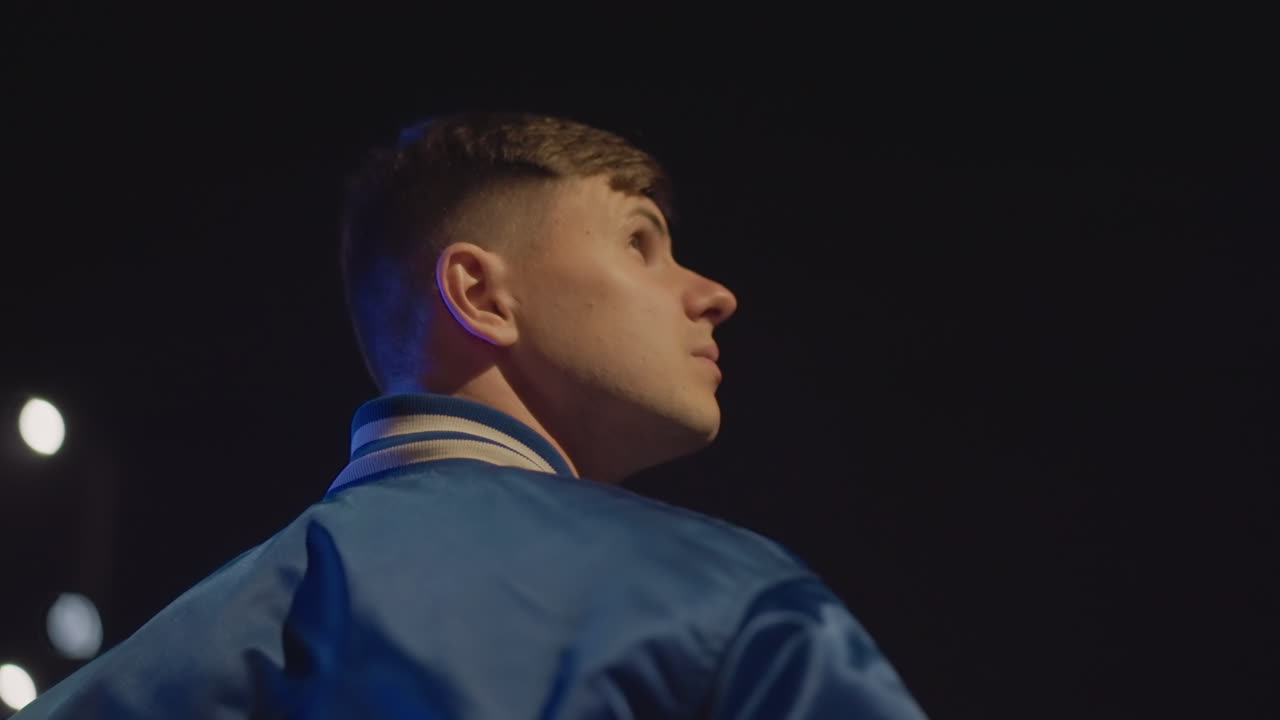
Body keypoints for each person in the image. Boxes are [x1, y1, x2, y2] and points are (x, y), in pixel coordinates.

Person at [16, 112, 929, 718]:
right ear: (480, 295)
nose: (714, 293)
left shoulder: (140, 673)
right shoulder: (712, 602)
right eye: (641, 243)